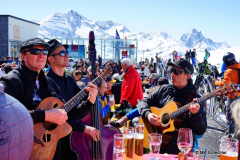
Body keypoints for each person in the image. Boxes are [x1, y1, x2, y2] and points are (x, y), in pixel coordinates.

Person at [137, 58, 207, 154]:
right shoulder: (163, 90)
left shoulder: (196, 99)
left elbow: (200, 130)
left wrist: (196, 114)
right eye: (171, 70)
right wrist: (148, 114)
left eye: (176, 72)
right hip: (157, 148)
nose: (172, 74)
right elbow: (142, 102)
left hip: (180, 152)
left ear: (187, 76)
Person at [46, 39, 99, 160]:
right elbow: (56, 119)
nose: (67, 55)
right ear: (51, 59)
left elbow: (75, 112)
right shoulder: (46, 84)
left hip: (72, 139)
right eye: (62, 53)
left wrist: (91, 99)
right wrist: (83, 128)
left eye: (67, 52)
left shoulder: (69, 79)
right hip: (56, 144)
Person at [214, 52, 240, 137]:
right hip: (238, 96)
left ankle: (231, 135)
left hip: (232, 97)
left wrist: (216, 82)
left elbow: (224, 84)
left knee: (229, 116)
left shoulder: (229, 71)